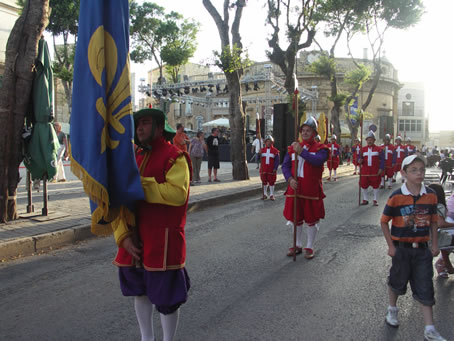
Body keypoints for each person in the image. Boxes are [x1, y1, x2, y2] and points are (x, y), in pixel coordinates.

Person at [113, 108, 191, 341]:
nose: (140, 128)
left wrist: (139, 186)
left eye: (145, 123)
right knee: (140, 291)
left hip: (163, 241)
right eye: (138, 124)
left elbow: (178, 194)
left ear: (159, 127)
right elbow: (119, 200)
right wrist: (122, 236)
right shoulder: (132, 158)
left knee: (166, 298)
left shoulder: (175, 156)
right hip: (134, 240)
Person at [380, 155, 446, 341]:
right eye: (414, 170)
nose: (419, 173)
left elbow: (434, 222)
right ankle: (392, 309)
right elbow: (384, 222)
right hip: (401, 249)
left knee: (425, 285)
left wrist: (434, 244)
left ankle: (430, 328)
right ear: (404, 173)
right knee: (397, 281)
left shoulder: (431, 196)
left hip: (423, 250)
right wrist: (391, 246)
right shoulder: (396, 197)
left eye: (422, 170)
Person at [282, 116, 329, 259]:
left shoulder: (322, 149)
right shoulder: (293, 148)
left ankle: (309, 246)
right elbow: (285, 166)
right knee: (295, 217)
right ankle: (297, 244)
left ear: (314, 132)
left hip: (311, 189)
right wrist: (289, 179)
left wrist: (302, 151)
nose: (305, 133)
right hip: (295, 188)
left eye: (308, 130)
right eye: (303, 130)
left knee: (311, 218)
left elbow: (317, 161)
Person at [428, 185, 454, 278]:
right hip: (434, 238)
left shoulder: (426, 205)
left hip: (427, 236)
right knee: (449, 238)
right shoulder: (439, 206)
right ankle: (444, 263)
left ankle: (445, 264)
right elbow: (441, 223)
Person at [359, 131, 384, 206]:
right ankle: (365, 199)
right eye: (368, 139)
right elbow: (360, 158)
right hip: (365, 170)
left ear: (374, 140)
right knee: (363, 184)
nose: (369, 141)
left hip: (375, 169)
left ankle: (375, 199)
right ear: (366, 140)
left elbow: (382, 159)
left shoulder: (379, 149)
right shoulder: (362, 149)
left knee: (376, 184)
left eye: (371, 139)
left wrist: (381, 168)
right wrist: (359, 160)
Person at [259, 135, 280, 200]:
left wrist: (275, 168)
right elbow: (257, 159)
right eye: (267, 141)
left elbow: (277, 160)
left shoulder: (275, 151)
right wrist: (258, 154)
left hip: (271, 169)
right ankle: (264, 194)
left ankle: (271, 195)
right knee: (264, 181)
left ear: (272, 142)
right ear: (265, 142)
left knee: (271, 182)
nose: (268, 143)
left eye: (269, 141)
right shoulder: (262, 150)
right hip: (264, 168)